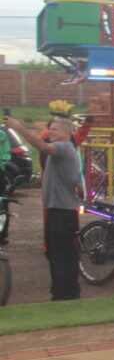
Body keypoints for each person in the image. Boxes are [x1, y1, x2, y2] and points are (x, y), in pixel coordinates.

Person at [7, 116, 81, 301]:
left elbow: (43, 146)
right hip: (59, 210)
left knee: (60, 254)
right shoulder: (63, 150)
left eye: (55, 130)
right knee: (56, 253)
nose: (51, 133)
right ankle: (65, 291)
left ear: (66, 132)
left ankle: (63, 294)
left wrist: (19, 127)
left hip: (62, 212)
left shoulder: (63, 146)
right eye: (50, 130)